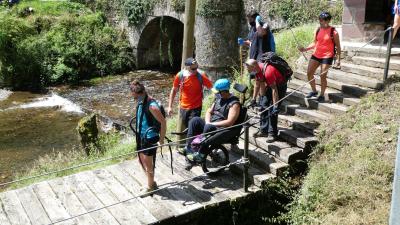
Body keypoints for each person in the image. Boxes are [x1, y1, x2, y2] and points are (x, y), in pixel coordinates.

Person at [185, 78, 241, 163]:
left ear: (223, 91)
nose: (216, 94)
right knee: (194, 120)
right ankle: (189, 147)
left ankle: (201, 154)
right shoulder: (218, 99)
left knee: (208, 127)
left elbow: (230, 122)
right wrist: (208, 122)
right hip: (210, 125)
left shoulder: (234, 104)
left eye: (217, 92)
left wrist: (212, 124)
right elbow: (209, 111)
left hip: (222, 129)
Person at [167, 58, 212, 152]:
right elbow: (174, 90)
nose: (196, 70)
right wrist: (170, 106)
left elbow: (211, 87)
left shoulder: (201, 75)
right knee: (190, 129)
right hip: (183, 107)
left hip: (196, 107)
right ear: (187, 67)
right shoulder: (180, 76)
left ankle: (191, 150)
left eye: (196, 67)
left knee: (193, 129)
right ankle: (199, 145)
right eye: (193, 69)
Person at [130, 80, 166, 196]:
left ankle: (151, 187)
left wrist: (161, 140)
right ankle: (150, 182)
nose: (132, 96)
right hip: (141, 135)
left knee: (148, 163)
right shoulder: (141, 100)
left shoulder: (152, 106)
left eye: (133, 94)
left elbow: (163, 122)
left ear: (138, 93)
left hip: (149, 138)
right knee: (140, 159)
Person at [299, 11, 341, 102]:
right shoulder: (318, 30)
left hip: (327, 56)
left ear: (328, 21)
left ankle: (321, 95)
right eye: (319, 19)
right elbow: (315, 43)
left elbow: (338, 46)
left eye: (322, 20)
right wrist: (305, 49)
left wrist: (338, 59)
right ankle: (314, 91)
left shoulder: (334, 32)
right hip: (316, 54)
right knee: (309, 73)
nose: (320, 21)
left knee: (322, 75)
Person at [245, 58, 287, 142]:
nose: (248, 71)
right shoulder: (257, 71)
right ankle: (263, 130)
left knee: (272, 110)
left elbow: (274, 90)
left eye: (248, 69)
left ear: (253, 67)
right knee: (263, 105)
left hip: (279, 87)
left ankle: (272, 134)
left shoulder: (268, 72)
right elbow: (258, 84)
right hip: (269, 85)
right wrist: (254, 99)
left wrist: (275, 106)